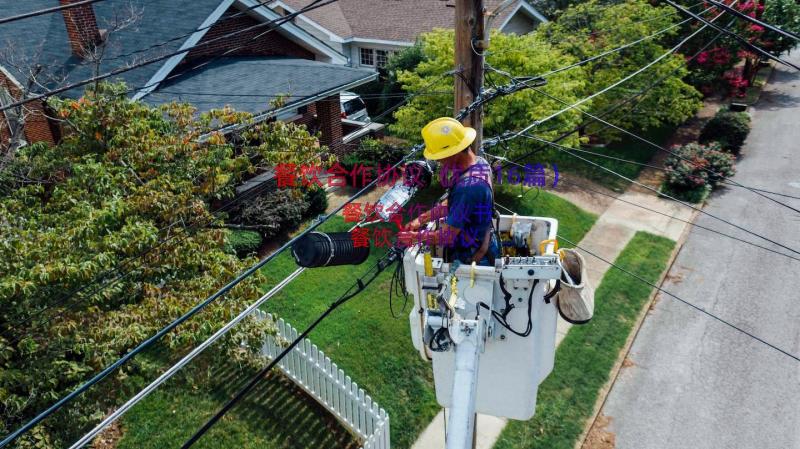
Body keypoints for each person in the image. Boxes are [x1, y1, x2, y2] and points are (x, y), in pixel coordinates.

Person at [397, 117, 500, 265]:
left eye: (440, 157)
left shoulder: (469, 188)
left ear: (454, 152)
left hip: (473, 256)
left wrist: (415, 238)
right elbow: (452, 205)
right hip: (482, 243)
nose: (439, 162)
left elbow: (447, 235)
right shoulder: (479, 163)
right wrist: (421, 219)